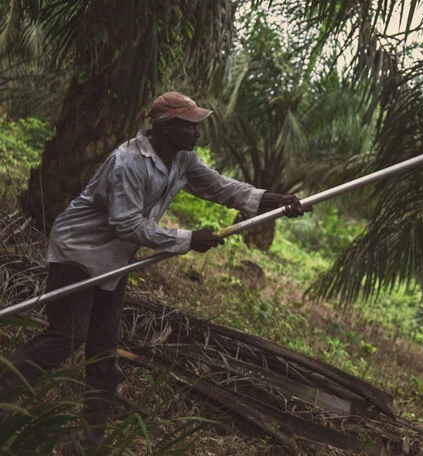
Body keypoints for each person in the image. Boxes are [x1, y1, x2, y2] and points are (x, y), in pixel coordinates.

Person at [0, 92, 310, 446]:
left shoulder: (182, 159)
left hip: (114, 261)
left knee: (103, 349)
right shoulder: (128, 163)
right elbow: (127, 224)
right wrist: (187, 238)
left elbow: (221, 188)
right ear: (165, 127)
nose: (197, 133)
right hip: (77, 251)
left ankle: (90, 439)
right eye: (189, 125)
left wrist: (276, 200)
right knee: (68, 334)